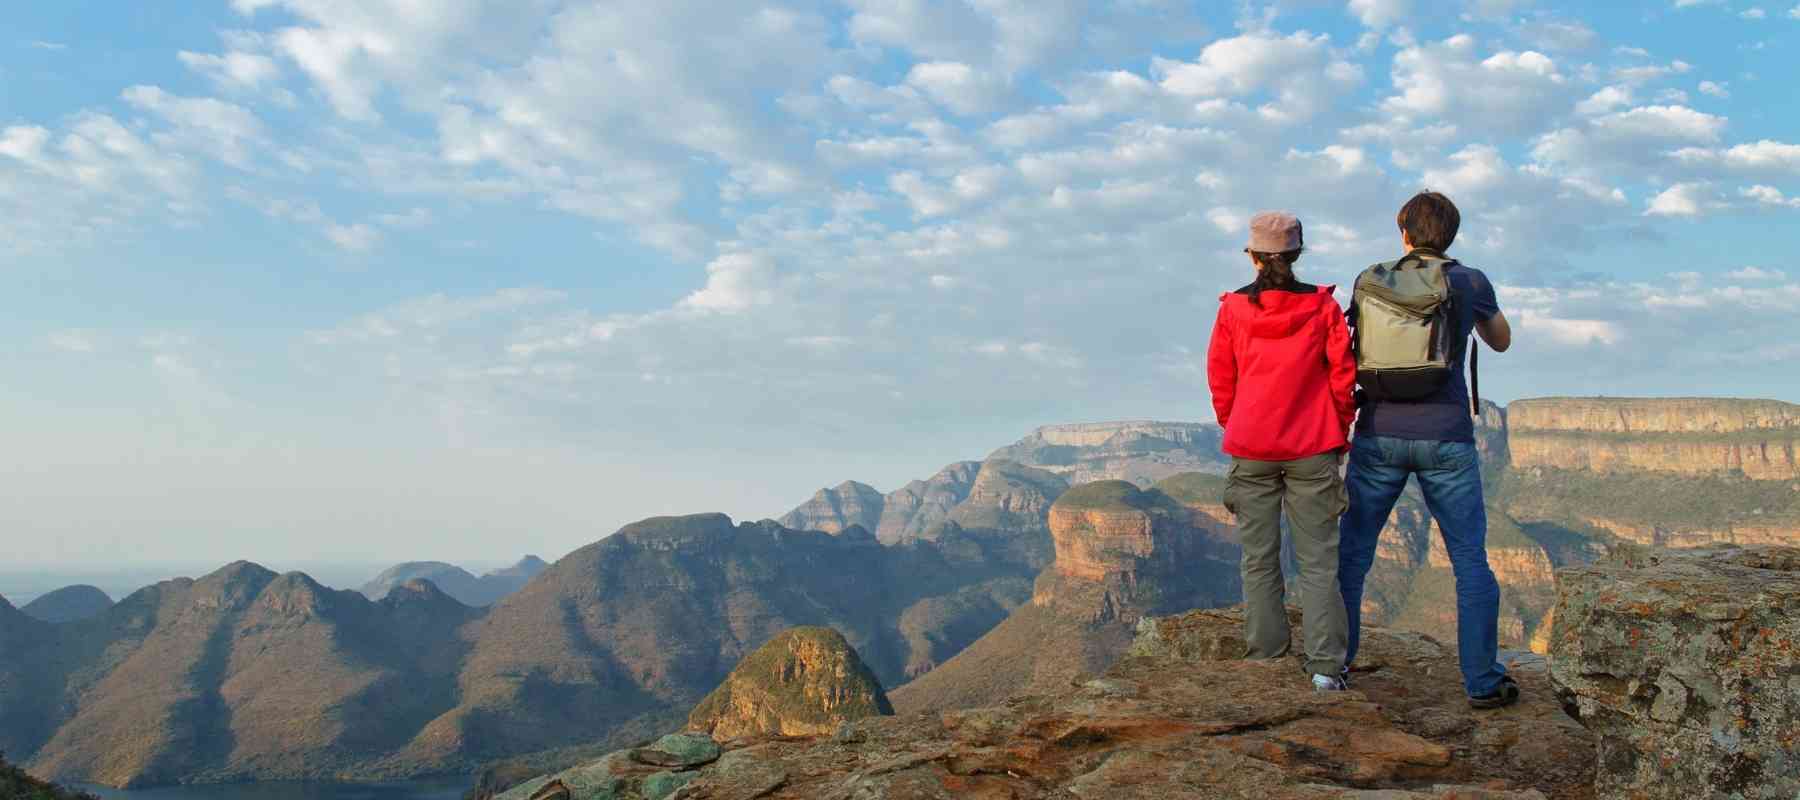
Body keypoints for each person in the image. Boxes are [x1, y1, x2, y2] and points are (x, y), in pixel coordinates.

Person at [1338, 191, 1518, 709]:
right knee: (1468, 560)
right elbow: (1501, 340)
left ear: (1405, 232)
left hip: (1378, 431)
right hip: (1446, 436)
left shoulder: (1371, 279)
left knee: (1352, 556)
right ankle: (1482, 681)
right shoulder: (1469, 280)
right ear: (1452, 234)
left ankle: (1337, 664)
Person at [1206, 211, 1357, 692]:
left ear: (1251, 256)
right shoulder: (1321, 307)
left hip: (1252, 448)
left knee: (1259, 558)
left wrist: (1239, 422)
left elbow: (1221, 378)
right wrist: (1338, 427)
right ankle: (1325, 670)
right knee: (1318, 562)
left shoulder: (1233, 310)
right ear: (1297, 254)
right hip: (1313, 445)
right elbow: (1343, 376)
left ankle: (1267, 657)